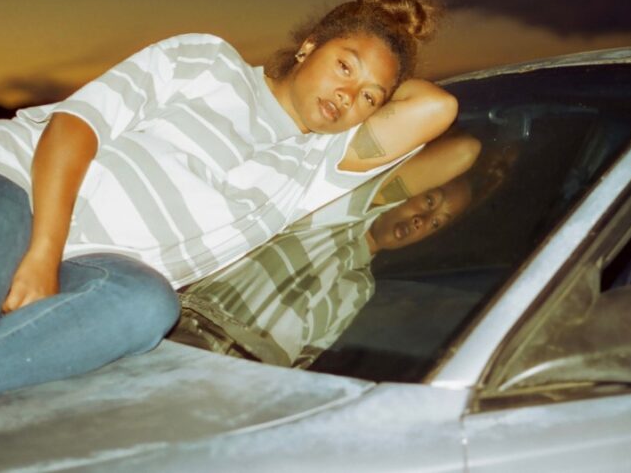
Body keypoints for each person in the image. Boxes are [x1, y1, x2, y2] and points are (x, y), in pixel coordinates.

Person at [0, 0, 455, 434]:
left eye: (371, 96)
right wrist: (40, 254)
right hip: (17, 183)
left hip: (98, 262)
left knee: (150, 303)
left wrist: (392, 50)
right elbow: (74, 128)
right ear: (310, 45)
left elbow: (437, 110)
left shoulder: (317, 166)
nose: (352, 96)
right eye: (345, 66)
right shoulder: (207, 61)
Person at [171, 130, 483, 367]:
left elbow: (302, 361)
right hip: (182, 346)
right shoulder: (337, 212)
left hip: (234, 391)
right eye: (430, 201)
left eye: (437, 223)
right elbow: (464, 151)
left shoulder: (360, 288)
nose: (423, 222)